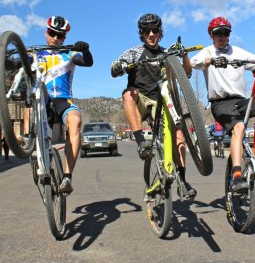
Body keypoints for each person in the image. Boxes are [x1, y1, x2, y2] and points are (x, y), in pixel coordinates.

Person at [110, 13, 197, 199]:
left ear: (160, 32)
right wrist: (121, 66)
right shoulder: (134, 52)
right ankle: (141, 142)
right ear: (141, 33)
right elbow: (113, 69)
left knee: (178, 134)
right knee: (128, 94)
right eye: (147, 31)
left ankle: (182, 181)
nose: (151, 34)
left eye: (155, 30)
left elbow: (187, 74)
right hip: (140, 98)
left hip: (161, 100)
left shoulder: (167, 54)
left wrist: (185, 56)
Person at [190, 16, 255, 193]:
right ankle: (237, 176)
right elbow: (193, 64)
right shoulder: (208, 51)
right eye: (218, 33)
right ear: (211, 35)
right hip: (221, 103)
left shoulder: (237, 52)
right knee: (239, 128)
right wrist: (211, 61)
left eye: (226, 32)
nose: (222, 36)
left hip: (242, 101)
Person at [28, 15, 94, 194]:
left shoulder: (69, 53)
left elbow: (87, 62)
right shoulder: (35, 53)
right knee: (35, 90)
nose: (55, 38)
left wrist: (85, 51)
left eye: (60, 35)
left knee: (75, 120)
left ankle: (67, 177)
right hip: (43, 100)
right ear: (46, 32)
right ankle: (34, 144)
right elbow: (15, 63)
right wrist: (1, 55)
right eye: (52, 33)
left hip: (63, 100)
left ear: (65, 37)